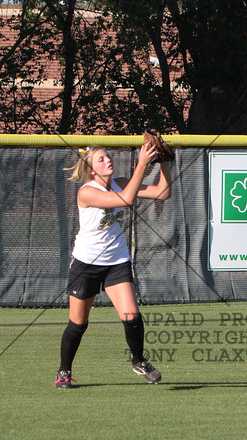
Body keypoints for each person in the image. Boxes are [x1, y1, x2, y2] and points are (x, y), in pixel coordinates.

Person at [55, 142, 172, 388]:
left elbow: (163, 192)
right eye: (101, 159)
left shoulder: (119, 182)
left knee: (132, 316)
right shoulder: (87, 192)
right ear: (91, 170)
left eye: (108, 157)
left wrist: (163, 163)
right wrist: (141, 162)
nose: (108, 160)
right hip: (86, 263)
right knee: (78, 324)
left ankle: (139, 360)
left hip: (116, 260)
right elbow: (126, 199)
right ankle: (64, 372)